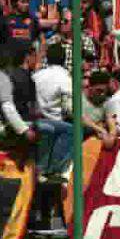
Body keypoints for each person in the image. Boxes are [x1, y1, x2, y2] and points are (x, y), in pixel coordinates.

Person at [31, 44, 73, 180]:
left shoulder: (37, 75)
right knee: (73, 130)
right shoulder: (65, 78)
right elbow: (68, 109)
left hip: (36, 120)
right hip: (55, 123)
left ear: (47, 59)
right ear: (65, 59)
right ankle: (56, 170)